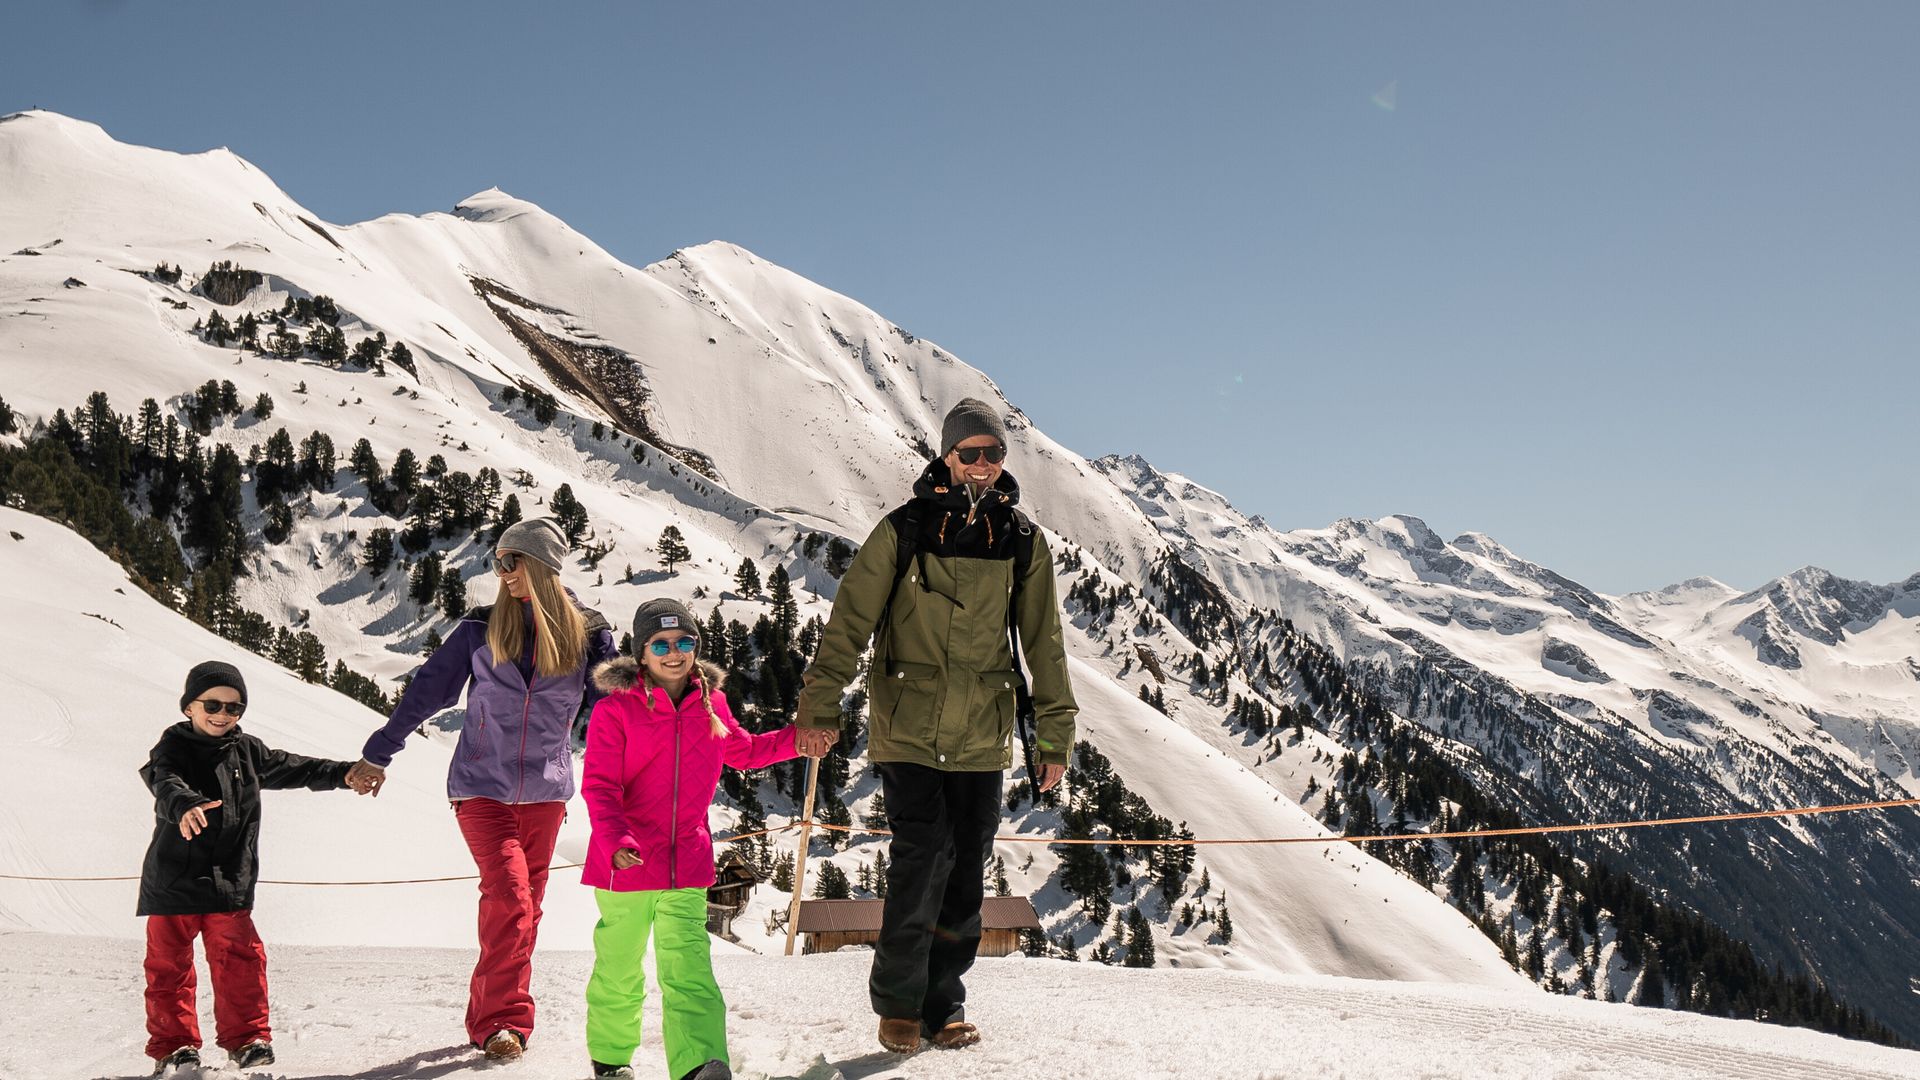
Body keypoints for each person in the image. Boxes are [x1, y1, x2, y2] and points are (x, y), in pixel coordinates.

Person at [794, 397, 1078, 1054]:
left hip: (982, 734)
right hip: (910, 727)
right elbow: (849, 627)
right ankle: (898, 1003)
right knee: (920, 861)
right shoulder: (904, 531)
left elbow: (1045, 645)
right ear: (946, 458)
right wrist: (819, 707)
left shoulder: (1022, 543)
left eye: (994, 453)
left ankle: (942, 1005)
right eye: (970, 452)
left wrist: (1054, 736)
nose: (982, 465)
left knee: (965, 875)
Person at [348, 517, 618, 1061]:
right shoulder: (480, 627)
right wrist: (378, 753)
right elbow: (427, 693)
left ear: (541, 565)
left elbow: (613, 705)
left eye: (510, 561)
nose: (501, 572)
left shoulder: (588, 632)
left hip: (546, 792)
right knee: (512, 897)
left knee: (524, 909)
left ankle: (490, 1013)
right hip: (480, 789)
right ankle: (504, 1021)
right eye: (497, 562)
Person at [579, 599, 823, 1080]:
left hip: (685, 861)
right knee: (619, 970)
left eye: (685, 641)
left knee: (689, 969)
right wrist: (616, 839)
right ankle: (610, 1060)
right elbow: (600, 786)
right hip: (625, 862)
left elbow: (744, 751)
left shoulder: (712, 704)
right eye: (662, 643)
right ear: (641, 652)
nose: (675, 652)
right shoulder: (616, 709)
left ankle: (698, 1063)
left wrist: (798, 739)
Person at [139, 660, 371, 1075]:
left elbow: (298, 767)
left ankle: (247, 1041)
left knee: (241, 963)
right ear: (189, 706)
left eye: (234, 708)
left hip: (229, 879)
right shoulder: (171, 747)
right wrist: (185, 804)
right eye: (213, 704)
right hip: (173, 879)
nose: (223, 714)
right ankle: (174, 1047)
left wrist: (344, 774)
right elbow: (165, 780)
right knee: (169, 967)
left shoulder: (247, 751)